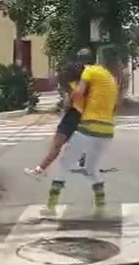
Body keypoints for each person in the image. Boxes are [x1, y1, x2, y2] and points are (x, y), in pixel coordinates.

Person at [41, 48, 121, 217]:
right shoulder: (109, 77)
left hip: (89, 127)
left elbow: (79, 92)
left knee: (63, 164)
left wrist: (70, 102)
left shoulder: (89, 71)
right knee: (92, 168)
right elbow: (116, 104)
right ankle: (101, 207)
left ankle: (51, 206)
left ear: (82, 62)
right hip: (107, 130)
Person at [25, 50, 92, 178]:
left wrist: (66, 101)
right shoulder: (92, 77)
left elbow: (69, 98)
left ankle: (39, 170)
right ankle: (84, 159)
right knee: (78, 139)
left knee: (56, 145)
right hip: (84, 115)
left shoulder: (75, 80)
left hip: (73, 114)